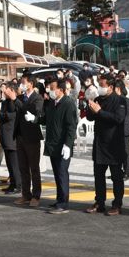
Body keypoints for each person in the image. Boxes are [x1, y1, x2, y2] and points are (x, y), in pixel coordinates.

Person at [85, 76, 127, 216]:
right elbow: (90, 117)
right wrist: (89, 105)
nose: (100, 88)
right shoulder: (98, 99)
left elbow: (118, 118)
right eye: (99, 85)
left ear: (110, 86)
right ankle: (100, 202)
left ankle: (117, 204)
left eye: (103, 85)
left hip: (114, 144)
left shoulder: (120, 100)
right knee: (98, 175)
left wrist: (100, 112)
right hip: (100, 143)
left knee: (116, 176)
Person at [8, 78, 44, 207]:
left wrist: (15, 100)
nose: (22, 85)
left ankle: (36, 195)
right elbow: (13, 109)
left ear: (31, 84)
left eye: (24, 82)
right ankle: (26, 194)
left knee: (34, 168)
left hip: (32, 138)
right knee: (23, 168)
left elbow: (32, 111)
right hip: (20, 136)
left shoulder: (37, 98)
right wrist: (11, 98)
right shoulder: (20, 97)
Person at [43, 79, 77, 214]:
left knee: (62, 173)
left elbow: (71, 127)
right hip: (53, 144)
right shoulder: (52, 103)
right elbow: (46, 119)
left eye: (52, 88)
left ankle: (63, 204)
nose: (50, 90)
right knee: (57, 174)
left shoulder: (68, 104)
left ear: (61, 90)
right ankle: (59, 200)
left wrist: (68, 145)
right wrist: (34, 118)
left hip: (63, 146)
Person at [0, 83, 21, 194]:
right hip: (5, 136)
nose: (4, 92)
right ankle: (12, 184)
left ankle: (17, 185)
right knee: (9, 164)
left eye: (5, 90)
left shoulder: (15, 102)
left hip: (12, 137)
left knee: (14, 164)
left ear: (12, 90)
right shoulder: (5, 102)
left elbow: (11, 116)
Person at [114, 82, 129, 180]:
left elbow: (123, 115)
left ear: (118, 89)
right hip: (114, 130)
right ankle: (118, 171)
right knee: (117, 151)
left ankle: (127, 172)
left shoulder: (125, 100)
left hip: (124, 129)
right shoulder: (114, 99)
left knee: (125, 152)